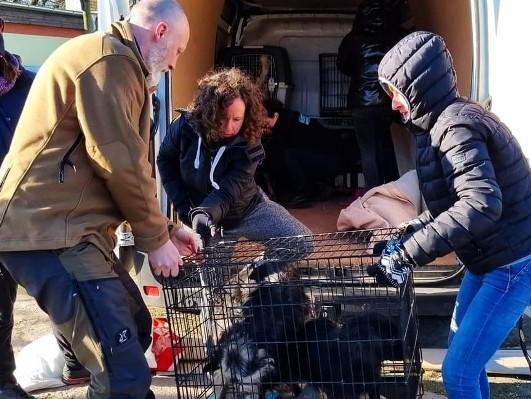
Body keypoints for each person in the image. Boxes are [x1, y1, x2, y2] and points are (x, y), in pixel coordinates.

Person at [0, 1, 196, 398]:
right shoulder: (109, 60)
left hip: (72, 230)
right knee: (123, 376)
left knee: (136, 329)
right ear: (159, 32)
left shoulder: (116, 60)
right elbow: (118, 161)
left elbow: (124, 166)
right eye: (178, 51)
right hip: (49, 232)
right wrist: (156, 241)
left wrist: (168, 229)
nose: (175, 65)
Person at [370, 31, 531, 399]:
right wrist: (402, 237)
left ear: (418, 87)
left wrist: (405, 258)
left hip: (513, 265)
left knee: (458, 372)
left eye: (395, 93)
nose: (393, 105)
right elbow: (447, 209)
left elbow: (480, 205)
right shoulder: (433, 126)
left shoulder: (456, 126)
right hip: (487, 262)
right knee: (464, 362)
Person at [0, 17, 92, 398]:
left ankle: (76, 365)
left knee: (62, 297)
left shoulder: (38, 86)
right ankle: (4, 383)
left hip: (44, 219)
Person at [156, 68, 312, 251]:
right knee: (211, 278)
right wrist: (184, 208)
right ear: (209, 112)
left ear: (246, 114)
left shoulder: (250, 140)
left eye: (237, 119)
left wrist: (205, 214)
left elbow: (228, 191)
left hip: (247, 209)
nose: (229, 128)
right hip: (207, 220)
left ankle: (258, 273)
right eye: (222, 119)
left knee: (302, 243)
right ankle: (232, 272)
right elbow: (164, 160)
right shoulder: (183, 126)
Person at [337, 0, 403, 190]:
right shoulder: (396, 35)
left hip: (362, 101)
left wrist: (358, 74)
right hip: (390, 100)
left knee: (368, 149)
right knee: (389, 142)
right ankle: (394, 189)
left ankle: (374, 194)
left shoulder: (353, 38)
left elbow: (342, 63)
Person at [261, 99, 352, 208]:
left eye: (266, 123)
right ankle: (316, 188)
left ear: (275, 115)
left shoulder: (286, 126)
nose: (265, 128)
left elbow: (277, 154)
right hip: (333, 154)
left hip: (331, 158)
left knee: (290, 155)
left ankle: (301, 194)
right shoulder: (291, 116)